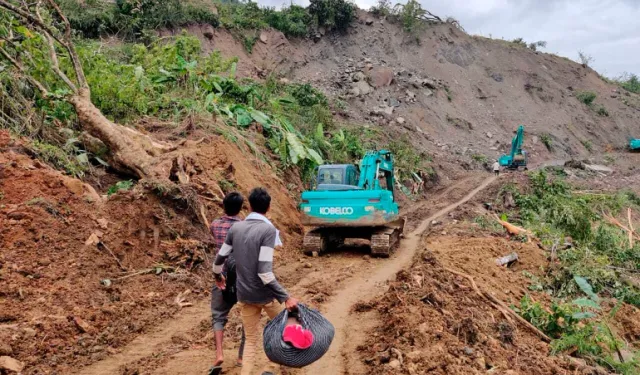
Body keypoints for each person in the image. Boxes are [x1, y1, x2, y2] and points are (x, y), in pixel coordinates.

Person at [213, 187, 298, 375]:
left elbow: (220, 258)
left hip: (245, 295)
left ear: (249, 206)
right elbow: (265, 273)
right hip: (265, 296)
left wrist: (217, 275)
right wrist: (286, 297)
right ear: (268, 208)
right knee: (288, 329)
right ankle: (273, 367)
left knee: (251, 340)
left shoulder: (236, 228)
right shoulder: (268, 230)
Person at [209, 192, 246, 375]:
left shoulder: (215, 224)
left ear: (223, 206)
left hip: (220, 276)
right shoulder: (244, 227)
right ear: (240, 208)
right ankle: (241, 356)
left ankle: (219, 354)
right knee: (249, 314)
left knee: (218, 316)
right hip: (241, 278)